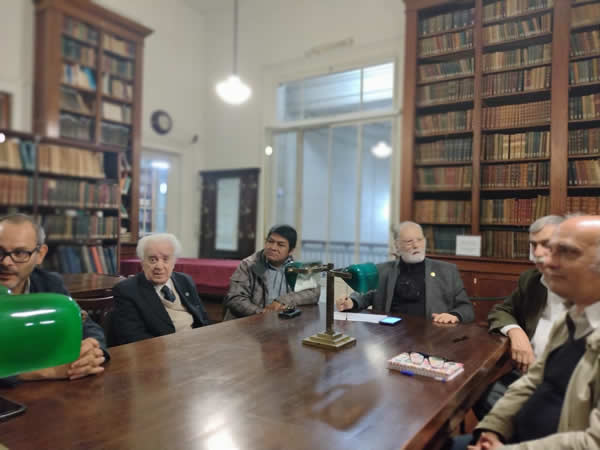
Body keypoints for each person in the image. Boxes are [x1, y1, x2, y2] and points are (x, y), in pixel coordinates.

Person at [452, 215, 600, 449]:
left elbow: (593, 442)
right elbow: (533, 381)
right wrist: (492, 429)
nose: (546, 260)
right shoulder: (570, 320)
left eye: (567, 252)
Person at [473, 215, 565, 419]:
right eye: (533, 245)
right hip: (528, 374)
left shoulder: (588, 290)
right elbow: (501, 311)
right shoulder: (532, 280)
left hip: (565, 386)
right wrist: (516, 332)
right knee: (481, 399)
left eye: (546, 244)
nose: (537, 253)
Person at [0, 214, 108, 381]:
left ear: (40, 255)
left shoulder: (49, 283)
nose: (6, 262)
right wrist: (46, 371)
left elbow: (87, 327)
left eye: (19, 253)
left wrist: (91, 349)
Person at [336, 221, 474, 323]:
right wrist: (351, 302)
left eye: (419, 240)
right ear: (397, 246)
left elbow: (466, 308)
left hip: (432, 335)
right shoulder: (383, 270)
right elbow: (363, 296)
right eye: (409, 242)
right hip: (390, 335)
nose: (416, 245)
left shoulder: (447, 271)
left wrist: (454, 316)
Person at [112, 233, 209, 345]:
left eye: (166, 259)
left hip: (196, 344)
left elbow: (203, 319)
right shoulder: (127, 291)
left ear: (174, 262)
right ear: (142, 262)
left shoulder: (185, 280)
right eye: (153, 260)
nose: (159, 266)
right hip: (162, 351)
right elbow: (134, 338)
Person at [223, 224, 320, 320]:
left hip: (280, 323)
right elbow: (235, 298)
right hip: (249, 323)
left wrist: (283, 300)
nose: (273, 247)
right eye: (270, 241)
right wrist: (262, 313)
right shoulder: (248, 264)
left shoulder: (296, 267)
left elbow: (314, 293)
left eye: (280, 245)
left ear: (291, 251)